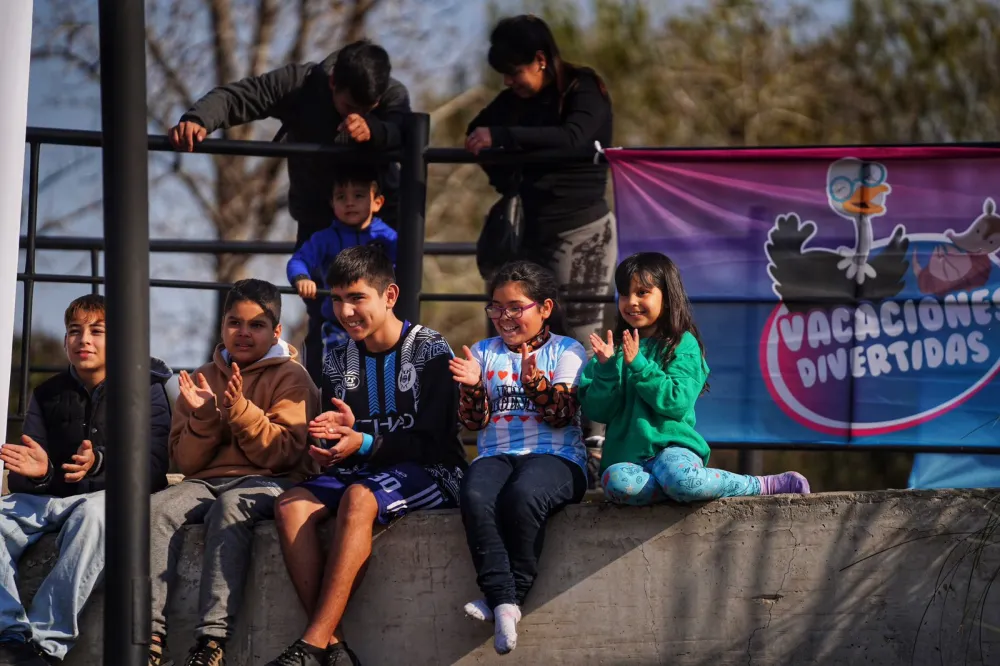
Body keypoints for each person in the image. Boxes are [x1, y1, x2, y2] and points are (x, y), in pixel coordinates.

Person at [265, 245, 466, 666]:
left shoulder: (430, 349)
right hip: (363, 470)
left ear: (389, 296)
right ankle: (332, 646)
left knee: (359, 498)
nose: (345, 311)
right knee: (289, 506)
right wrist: (330, 447)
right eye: (337, 299)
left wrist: (365, 442)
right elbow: (342, 441)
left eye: (357, 298)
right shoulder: (337, 360)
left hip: (435, 471)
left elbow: (436, 440)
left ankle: (309, 646)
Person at [169, 39, 410, 381]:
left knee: (385, 313)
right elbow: (244, 96)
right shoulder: (301, 84)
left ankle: (387, 393)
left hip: (379, 226)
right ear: (332, 83)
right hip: (318, 221)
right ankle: (324, 396)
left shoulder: (392, 95)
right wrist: (199, 119)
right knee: (325, 316)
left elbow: (405, 129)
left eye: (367, 109)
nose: (354, 116)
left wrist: (375, 131)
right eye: (348, 107)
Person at [466, 14, 616, 472]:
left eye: (515, 72)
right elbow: (477, 133)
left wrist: (507, 139)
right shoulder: (513, 100)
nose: (508, 83)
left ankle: (594, 443)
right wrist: (507, 171)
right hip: (529, 234)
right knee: (513, 328)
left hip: (582, 231)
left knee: (583, 331)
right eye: (503, 75)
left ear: (540, 60)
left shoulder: (583, 89)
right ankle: (518, 433)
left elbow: (576, 138)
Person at [147, 279, 319, 666]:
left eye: (256, 325)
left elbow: (283, 455)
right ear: (222, 325)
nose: (243, 333)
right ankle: (148, 637)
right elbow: (186, 463)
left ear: (276, 331)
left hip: (271, 480)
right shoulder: (202, 376)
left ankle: (212, 641)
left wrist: (240, 411)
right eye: (234, 323)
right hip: (206, 481)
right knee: (156, 509)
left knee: (230, 507)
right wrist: (204, 417)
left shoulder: (293, 378)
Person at [0, 294, 171, 666]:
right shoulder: (47, 393)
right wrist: (41, 473)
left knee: (94, 516)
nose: (84, 340)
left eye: (97, 331)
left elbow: (155, 467)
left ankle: (45, 645)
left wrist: (99, 464)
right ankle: (10, 634)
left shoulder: (147, 390)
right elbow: (26, 476)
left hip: (107, 500)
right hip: (51, 500)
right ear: (65, 340)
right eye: (75, 331)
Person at [579, 252, 811, 506]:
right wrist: (606, 369)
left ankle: (760, 485)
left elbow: (676, 402)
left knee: (680, 478)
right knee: (615, 482)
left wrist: (639, 366)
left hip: (672, 451)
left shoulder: (683, 345)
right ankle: (677, 490)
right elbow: (598, 411)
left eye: (642, 292)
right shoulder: (611, 352)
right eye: (624, 294)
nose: (631, 302)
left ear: (667, 297)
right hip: (628, 460)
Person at [450, 260, 589, 656]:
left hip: (557, 456)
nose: (504, 317)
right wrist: (472, 387)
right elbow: (474, 422)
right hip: (497, 454)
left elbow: (560, 415)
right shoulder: (483, 352)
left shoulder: (567, 349)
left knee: (524, 495)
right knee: (475, 494)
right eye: (496, 307)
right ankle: (503, 601)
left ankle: (508, 598)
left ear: (545, 308)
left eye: (515, 307)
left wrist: (535, 384)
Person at [287, 166, 398, 384]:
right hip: (339, 323)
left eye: (358, 196)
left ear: (377, 202)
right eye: (341, 197)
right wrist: (302, 278)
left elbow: (402, 264)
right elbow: (299, 260)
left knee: (380, 375)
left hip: (377, 323)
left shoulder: (389, 237)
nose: (349, 203)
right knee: (337, 376)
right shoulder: (325, 238)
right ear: (332, 203)